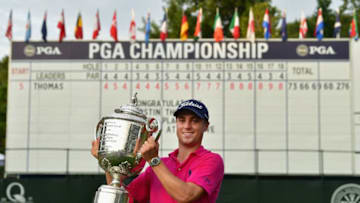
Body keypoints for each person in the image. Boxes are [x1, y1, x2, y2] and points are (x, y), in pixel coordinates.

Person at [91, 99, 224, 203]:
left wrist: (154, 160)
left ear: (205, 126)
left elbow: (186, 195)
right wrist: (110, 164)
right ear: (176, 124)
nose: (187, 126)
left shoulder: (212, 160)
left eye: (194, 121)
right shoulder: (161, 166)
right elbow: (125, 198)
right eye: (182, 120)